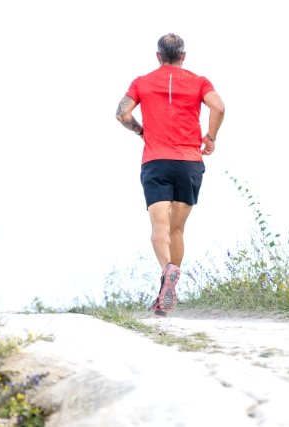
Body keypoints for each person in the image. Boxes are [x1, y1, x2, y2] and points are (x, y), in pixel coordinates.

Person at [115, 33, 225, 317]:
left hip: (156, 161)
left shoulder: (141, 82)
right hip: (189, 162)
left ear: (157, 56)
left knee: (159, 229)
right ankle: (169, 283)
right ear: (184, 56)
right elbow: (219, 107)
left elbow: (122, 114)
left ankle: (168, 272)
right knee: (177, 230)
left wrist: (140, 130)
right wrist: (210, 137)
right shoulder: (200, 81)